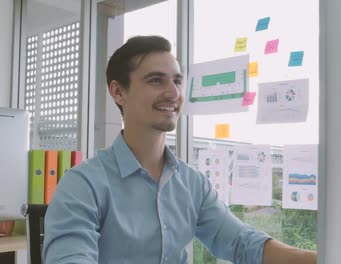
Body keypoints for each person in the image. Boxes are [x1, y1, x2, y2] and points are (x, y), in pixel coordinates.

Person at [43, 35, 317, 264]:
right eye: (155, 80)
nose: (174, 94)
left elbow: (243, 244)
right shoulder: (82, 185)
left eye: (177, 81)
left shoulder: (192, 183)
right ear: (118, 92)